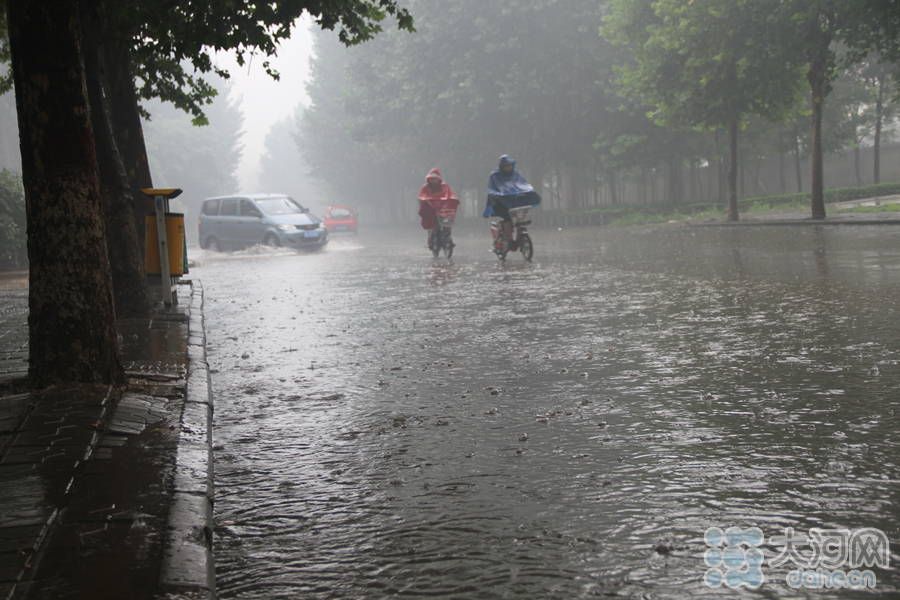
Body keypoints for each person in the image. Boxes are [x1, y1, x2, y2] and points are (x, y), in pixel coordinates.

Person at [483, 155, 540, 250]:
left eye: (509, 165)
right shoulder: (495, 175)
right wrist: (499, 194)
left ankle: (519, 239)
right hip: (500, 202)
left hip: (515, 203)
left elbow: (523, 184)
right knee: (507, 219)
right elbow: (492, 188)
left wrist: (527, 191)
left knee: (521, 220)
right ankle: (508, 239)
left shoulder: (516, 174)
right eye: (506, 166)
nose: (508, 168)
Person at [417, 168, 459, 249]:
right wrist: (424, 200)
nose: (433, 180)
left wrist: (453, 199)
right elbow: (422, 196)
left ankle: (448, 239)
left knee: (447, 224)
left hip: (442, 210)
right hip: (431, 210)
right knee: (431, 226)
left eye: (435, 178)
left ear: (438, 179)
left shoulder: (444, 186)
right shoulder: (425, 187)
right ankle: (430, 240)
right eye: (431, 179)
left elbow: (449, 194)